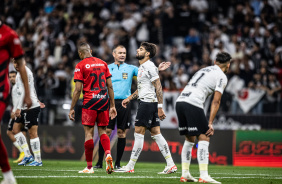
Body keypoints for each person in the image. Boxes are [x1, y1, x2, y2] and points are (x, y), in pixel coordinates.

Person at [94, 45, 171, 169]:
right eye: (119, 53)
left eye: (124, 52)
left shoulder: (132, 68)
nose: (122, 55)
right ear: (114, 54)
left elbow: (146, 75)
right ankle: (99, 162)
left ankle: (118, 163)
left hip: (125, 103)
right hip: (109, 102)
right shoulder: (107, 68)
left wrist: (157, 69)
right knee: (106, 131)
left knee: (121, 132)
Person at [116, 42, 177, 174]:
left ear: (147, 54)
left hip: (147, 104)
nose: (138, 50)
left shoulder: (148, 66)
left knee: (138, 133)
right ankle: (171, 164)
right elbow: (141, 89)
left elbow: (158, 86)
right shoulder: (144, 67)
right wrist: (128, 98)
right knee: (156, 134)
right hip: (149, 103)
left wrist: (160, 107)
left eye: (141, 49)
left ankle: (130, 166)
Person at [176, 52, 232, 183]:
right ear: (228, 65)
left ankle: (185, 174)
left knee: (189, 139)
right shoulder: (222, 76)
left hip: (180, 101)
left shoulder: (204, 69)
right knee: (204, 136)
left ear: (214, 62)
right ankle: (204, 175)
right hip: (193, 103)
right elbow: (216, 101)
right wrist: (210, 123)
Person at [68, 42, 117, 174]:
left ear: (80, 53)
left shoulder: (80, 65)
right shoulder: (103, 63)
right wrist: (112, 105)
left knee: (89, 134)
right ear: (90, 50)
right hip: (103, 100)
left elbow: (78, 90)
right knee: (102, 131)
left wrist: (72, 108)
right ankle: (108, 154)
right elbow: (110, 86)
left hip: (90, 102)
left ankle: (89, 167)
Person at [0, 20, 32, 184]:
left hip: (1, 92)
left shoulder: (10, 35)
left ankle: (25, 156)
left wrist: (26, 95)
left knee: (15, 131)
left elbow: (21, 65)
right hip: (15, 103)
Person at [12, 59, 43, 167]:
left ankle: (38, 160)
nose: (16, 64)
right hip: (25, 106)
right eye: (14, 62)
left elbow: (25, 91)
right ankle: (28, 155)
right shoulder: (20, 73)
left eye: (18, 62)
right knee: (15, 129)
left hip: (31, 107)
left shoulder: (25, 72)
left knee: (32, 133)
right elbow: (31, 88)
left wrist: (18, 108)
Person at [6, 71, 27, 163]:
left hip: (20, 111)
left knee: (11, 132)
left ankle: (23, 152)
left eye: (13, 76)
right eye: (10, 77)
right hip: (21, 110)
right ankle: (24, 153)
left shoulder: (18, 86)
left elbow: (21, 98)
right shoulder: (14, 87)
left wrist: (15, 111)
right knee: (21, 132)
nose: (12, 78)